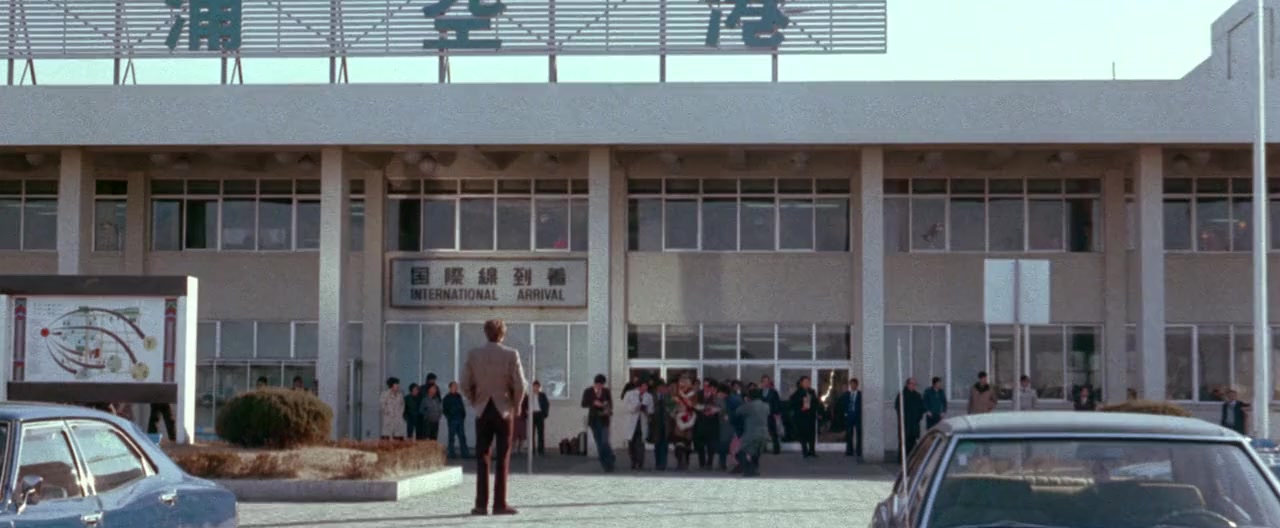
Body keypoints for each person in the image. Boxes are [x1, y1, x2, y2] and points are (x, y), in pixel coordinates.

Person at [461, 319, 527, 516]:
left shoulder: (473, 354)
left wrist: (474, 400)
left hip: (482, 409)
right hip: (503, 409)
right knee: (503, 457)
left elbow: (464, 383)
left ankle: (480, 505)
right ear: (503, 334)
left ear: (485, 333)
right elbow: (521, 384)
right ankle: (500, 504)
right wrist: (517, 405)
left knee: (482, 456)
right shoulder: (511, 354)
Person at [582, 374, 616, 472]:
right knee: (599, 443)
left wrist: (605, 406)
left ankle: (610, 459)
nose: (600, 386)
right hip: (594, 420)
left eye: (602, 385)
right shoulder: (588, 391)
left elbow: (610, 405)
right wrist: (593, 403)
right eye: (598, 384)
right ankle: (606, 464)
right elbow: (583, 403)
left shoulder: (606, 391)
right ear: (595, 383)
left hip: (604, 420)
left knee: (605, 441)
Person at [735, 388, 771, 477]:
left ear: (749, 397)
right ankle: (755, 470)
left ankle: (749, 470)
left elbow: (738, 411)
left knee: (741, 453)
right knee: (756, 454)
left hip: (752, 434)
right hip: (764, 434)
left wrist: (745, 402)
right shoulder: (766, 406)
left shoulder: (749, 406)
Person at [623, 380, 654, 470]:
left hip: (642, 422)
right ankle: (633, 461)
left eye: (646, 386)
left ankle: (640, 463)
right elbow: (625, 406)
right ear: (639, 386)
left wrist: (646, 410)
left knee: (640, 443)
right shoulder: (630, 394)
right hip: (632, 422)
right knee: (631, 443)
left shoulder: (649, 396)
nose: (645, 388)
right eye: (644, 386)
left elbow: (651, 410)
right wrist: (635, 408)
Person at [669, 375, 697, 470]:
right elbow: (672, 408)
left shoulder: (692, 395)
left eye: (684, 383)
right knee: (678, 444)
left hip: (688, 421)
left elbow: (693, 406)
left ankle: (686, 462)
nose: (682, 385)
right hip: (678, 423)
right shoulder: (675, 395)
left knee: (687, 444)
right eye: (681, 382)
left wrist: (684, 400)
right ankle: (680, 462)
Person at [789, 376, 822, 458]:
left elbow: (816, 403)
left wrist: (818, 412)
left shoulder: (812, 391)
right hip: (802, 416)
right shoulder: (798, 392)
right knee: (803, 434)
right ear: (801, 383)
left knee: (812, 434)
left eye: (808, 382)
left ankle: (812, 451)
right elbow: (793, 402)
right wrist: (801, 404)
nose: (807, 384)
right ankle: (805, 451)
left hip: (811, 416)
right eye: (805, 382)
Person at [894, 378, 926, 461]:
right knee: (904, 440)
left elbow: (922, 407)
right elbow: (897, 407)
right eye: (912, 384)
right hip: (905, 422)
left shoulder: (917, 395)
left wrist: (918, 417)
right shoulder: (902, 395)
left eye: (915, 384)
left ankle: (911, 459)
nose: (913, 386)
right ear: (907, 384)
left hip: (914, 422)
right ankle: (902, 459)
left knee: (913, 440)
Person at [693, 379, 721, 469]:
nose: (706, 387)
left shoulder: (715, 394)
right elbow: (694, 405)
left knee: (711, 444)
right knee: (700, 444)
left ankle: (709, 463)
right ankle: (702, 463)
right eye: (704, 385)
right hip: (701, 422)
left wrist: (712, 410)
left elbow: (719, 407)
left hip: (712, 422)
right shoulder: (699, 394)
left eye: (708, 385)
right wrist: (704, 408)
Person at [520, 381, 551, 456]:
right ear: (532, 387)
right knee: (531, 433)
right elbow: (524, 405)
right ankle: (532, 450)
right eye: (534, 386)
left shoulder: (542, 395)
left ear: (539, 387)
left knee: (540, 433)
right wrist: (526, 412)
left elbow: (547, 404)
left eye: (537, 387)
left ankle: (541, 450)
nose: (536, 388)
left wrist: (544, 414)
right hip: (532, 414)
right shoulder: (529, 396)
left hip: (540, 414)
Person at [836, 378, 863, 458]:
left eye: (854, 384)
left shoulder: (860, 394)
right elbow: (843, 404)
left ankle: (859, 451)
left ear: (857, 385)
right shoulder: (847, 394)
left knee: (859, 434)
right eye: (851, 384)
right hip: (849, 416)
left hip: (858, 416)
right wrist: (845, 413)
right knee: (849, 434)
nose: (852, 386)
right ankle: (849, 451)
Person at [443, 381, 470, 459]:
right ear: (450, 387)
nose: (456, 388)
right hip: (452, 420)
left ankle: (465, 454)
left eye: (456, 386)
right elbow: (444, 410)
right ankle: (452, 454)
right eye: (454, 386)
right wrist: (449, 417)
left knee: (462, 437)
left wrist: (463, 415)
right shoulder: (447, 398)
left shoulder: (458, 396)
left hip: (460, 419)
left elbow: (462, 406)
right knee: (451, 438)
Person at [760, 375, 783, 455]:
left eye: (767, 381)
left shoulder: (773, 392)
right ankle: (762, 448)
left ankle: (776, 449)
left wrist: (776, 413)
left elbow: (777, 403)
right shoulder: (759, 392)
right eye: (764, 381)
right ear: (762, 382)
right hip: (761, 415)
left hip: (771, 414)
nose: (766, 383)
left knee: (773, 432)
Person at [651, 380, 671, 470]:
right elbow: (651, 408)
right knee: (657, 445)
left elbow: (671, 407)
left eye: (664, 387)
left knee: (665, 445)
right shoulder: (653, 396)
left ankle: (663, 463)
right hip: (656, 424)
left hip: (665, 424)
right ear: (657, 388)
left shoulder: (667, 396)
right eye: (661, 387)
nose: (663, 389)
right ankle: (658, 463)